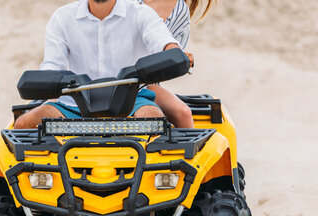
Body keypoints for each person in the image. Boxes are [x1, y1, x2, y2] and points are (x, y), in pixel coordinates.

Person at [14, 0, 187, 129]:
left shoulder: (141, 13)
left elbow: (163, 41)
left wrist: (172, 51)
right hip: (72, 103)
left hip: (133, 102)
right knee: (22, 125)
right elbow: (52, 67)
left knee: (154, 122)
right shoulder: (62, 17)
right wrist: (44, 83)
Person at [138, 0, 216, 128]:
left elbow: (172, 55)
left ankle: (187, 147)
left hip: (145, 83)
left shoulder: (180, 11)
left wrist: (180, 59)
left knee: (183, 112)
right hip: (115, 76)